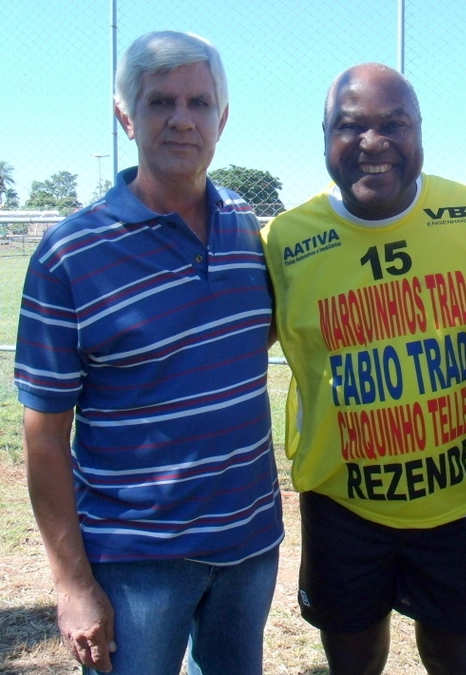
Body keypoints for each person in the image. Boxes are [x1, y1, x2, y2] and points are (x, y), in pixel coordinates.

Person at [14, 31, 283, 675]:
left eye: (198, 101)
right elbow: (44, 437)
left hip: (250, 544)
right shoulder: (69, 257)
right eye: (161, 102)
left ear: (223, 116)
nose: (181, 119)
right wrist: (73, 584)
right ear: (125, 116)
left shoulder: (250, 230)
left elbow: (252, 338)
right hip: (135, 561)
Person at [262, 63, 466, 675]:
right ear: (324, 136)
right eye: (350, 126)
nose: (372, 143)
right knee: (353, 659)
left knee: (455, 659)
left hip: (458, 500)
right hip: (342, 505)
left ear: (421, 131)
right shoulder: (282, 241)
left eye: (393, 124)